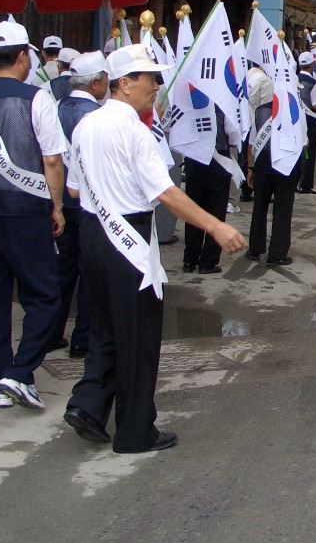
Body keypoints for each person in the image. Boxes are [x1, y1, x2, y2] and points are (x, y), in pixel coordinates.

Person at [63, 45, 245, 453]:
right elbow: (164, 192)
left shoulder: (86, 125)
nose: (158, 87)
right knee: (139, 337)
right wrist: (215, 226)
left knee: (106, 329)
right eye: (150, 78)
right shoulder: (134, 131)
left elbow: (74, 188)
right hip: (126, 237)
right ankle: (134, 431)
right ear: (124, 85)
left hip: (93, 234)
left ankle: (89, 405)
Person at [0, 20, 68, 412]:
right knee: (45, 295)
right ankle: (19, 373)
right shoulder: (37, 99)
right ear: (23, 56)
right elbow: (53, 160)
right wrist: (55, 206)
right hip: (26, 210)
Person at [51, 50, 107, 360]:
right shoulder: (96, 116)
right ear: (97, 81)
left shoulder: (54, 108)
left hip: (58, 202)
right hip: (87, 203)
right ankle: (82, 339)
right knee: (90, 275)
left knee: (61, 270)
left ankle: (51, 332)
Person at [245, 69, 299, 267]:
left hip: (262, 163)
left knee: (259, 206)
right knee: (283, 209)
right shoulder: (294, 110)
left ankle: (255, 248)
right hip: (285, 164)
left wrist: (250, 168)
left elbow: (252, 142)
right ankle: (277, 253)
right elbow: (303, 142)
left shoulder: (260, 110)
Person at [181, 105, 233, 275]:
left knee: (193, 211)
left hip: (194, 159)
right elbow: (233, 135)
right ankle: (208, 262)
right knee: (216, 211)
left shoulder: (189, 102)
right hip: (218, 159)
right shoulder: (223, 102)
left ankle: (189, 259)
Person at [296, 51, 316, 194]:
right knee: (309, 150)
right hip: (310, 120)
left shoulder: (293, 79)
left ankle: (295, 182)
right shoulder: (314, 83)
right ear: (312, 65)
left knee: (296, 150)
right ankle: (305, 185)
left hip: (296, 119)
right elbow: (315, 105)